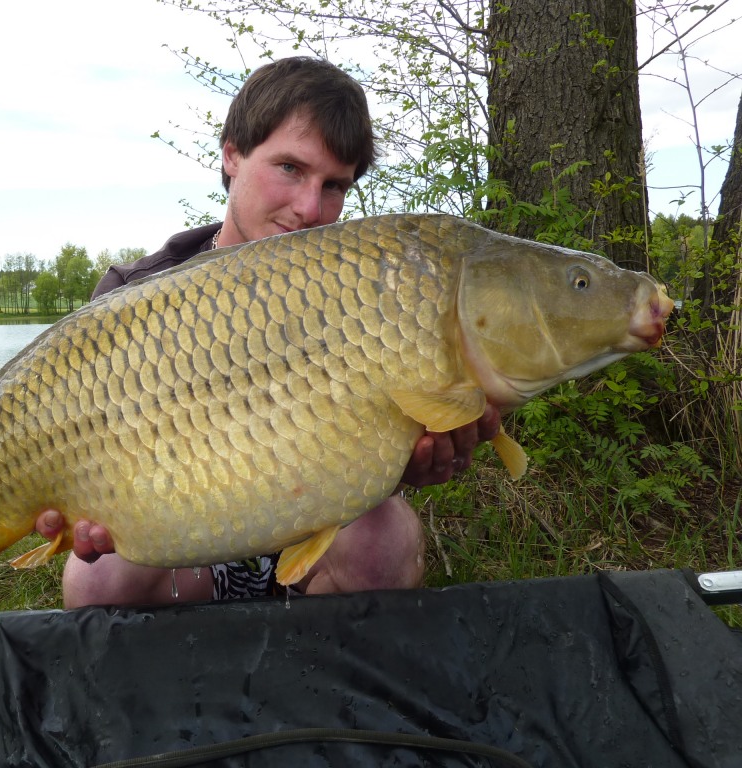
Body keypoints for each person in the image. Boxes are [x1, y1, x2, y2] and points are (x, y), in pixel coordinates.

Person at [37, 57, 499, 608]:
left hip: (316, 530)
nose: (309, 208)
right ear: (232, 154)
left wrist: (405, 465)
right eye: (290, 168)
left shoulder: (362, 291)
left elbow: (370, 440)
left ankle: (321, 659)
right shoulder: (135, 296)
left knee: (386, 543)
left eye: (334, 185)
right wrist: (78, 501)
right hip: (188, 543)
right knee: (96, 580)